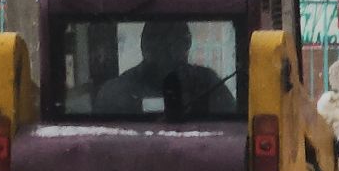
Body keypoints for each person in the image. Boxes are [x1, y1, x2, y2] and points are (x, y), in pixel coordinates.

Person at [96, 20, 237, 115]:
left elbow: (232, 126)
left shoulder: (207, 83)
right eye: (156, 40)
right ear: (144, 44)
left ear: (187, 44)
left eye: (172, 41)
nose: (164, 49)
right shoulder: (117, 91)